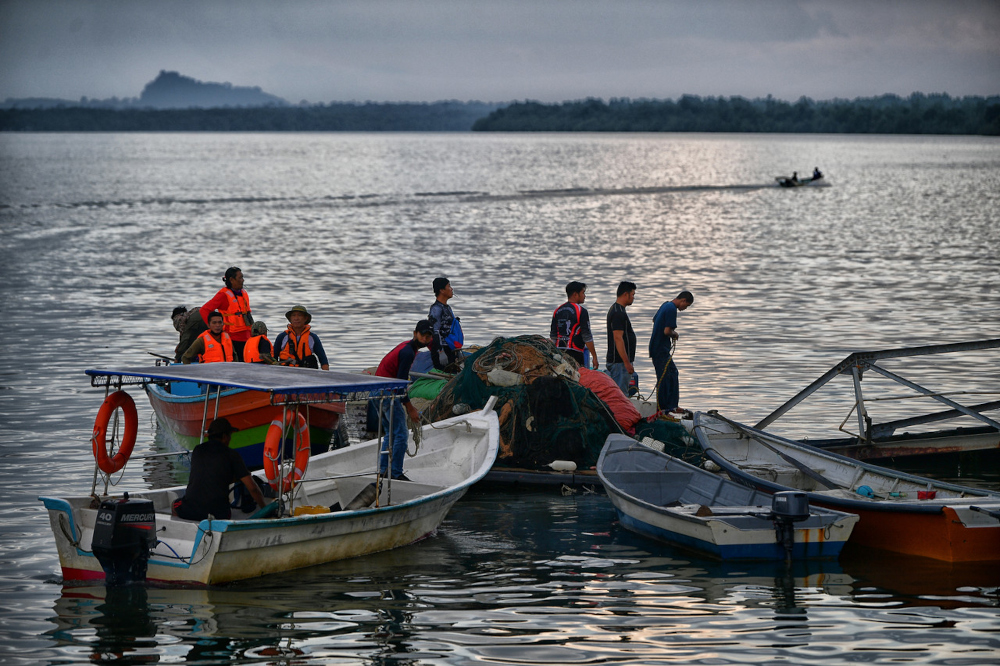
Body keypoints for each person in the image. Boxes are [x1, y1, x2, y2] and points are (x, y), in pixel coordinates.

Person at [172, 418, 267, 521]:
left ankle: (184, 528)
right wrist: (265, 509)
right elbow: (252, 488)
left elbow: (209, 474)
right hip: (219, 514)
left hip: (191, 511)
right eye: (230, 435)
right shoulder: (232, 455)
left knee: (174, 504)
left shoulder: (198, 450)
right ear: (224, 437)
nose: (230, 439)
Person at [373, 320, 434, 481]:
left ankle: (384, 470)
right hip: (387, 392)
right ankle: (396, 473)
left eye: (428, 337)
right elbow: (400, 385)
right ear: (415, 334)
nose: (425, 339)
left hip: (378, 390)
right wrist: (411, 408)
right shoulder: (408, 352)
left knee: (391, 433)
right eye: (423, 335)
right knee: (400, 434)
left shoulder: (408, 347)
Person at [648, 291, 694, 414]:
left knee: (671, 373)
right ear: (683, 300)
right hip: (660, 349)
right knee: (665, 377)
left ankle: (670, 405)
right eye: (687, 306)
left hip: (656, 347)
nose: (685, 309)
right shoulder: (672, 309)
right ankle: (665, 408)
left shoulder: (665, 304)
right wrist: (674, 334)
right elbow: (667, 331)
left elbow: (655, 320)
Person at [200, 267, 252, 360]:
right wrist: (212, 327)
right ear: (231, 280)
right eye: (240, 278)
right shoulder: (223, 295)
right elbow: (204, 310)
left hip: (247, 338)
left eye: (242, 277)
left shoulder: (243, 293)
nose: (243, 280)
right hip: (232, 339)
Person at [550, 281, 599, 369]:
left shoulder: (557, 311)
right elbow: (587, 336)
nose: (585, 296)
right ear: (575, 294)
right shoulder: (581, 311)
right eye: (583, 293)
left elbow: (553, 336)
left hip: (559, 353)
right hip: (575, 353)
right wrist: (594, 357)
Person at [606, 281, 637, 396]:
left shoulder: (618, 309)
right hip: (619, 363)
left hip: (620, 363)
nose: (633, 298)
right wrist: (626, 362)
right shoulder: (618, 313)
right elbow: (618, 338)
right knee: (620, 396)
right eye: (633, 294)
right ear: (625, 294)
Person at [273, 305, 329, 370]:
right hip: (286, 373)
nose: (296, 318)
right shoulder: (282, 337)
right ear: (290, 319)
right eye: (293, 315)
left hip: (307, 374)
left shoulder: (312, 338)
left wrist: (327, 376)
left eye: (299, 315)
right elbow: (273, 358)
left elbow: (323, 360)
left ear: (305, 318)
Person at [428, 276, 462, 370]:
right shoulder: (436, 309)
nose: (451, 289)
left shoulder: (447, 307)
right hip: (442, 350)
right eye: (449, 286)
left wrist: (456, 350)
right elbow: (435, 331)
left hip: (450, 348)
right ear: (442, 290)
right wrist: (440, 352)